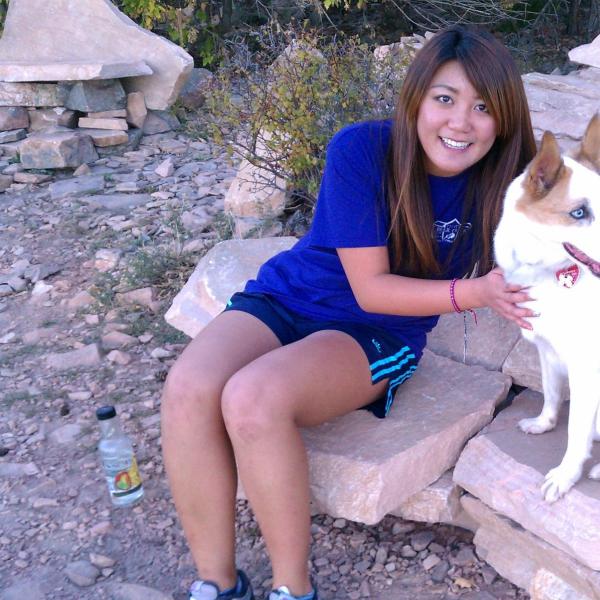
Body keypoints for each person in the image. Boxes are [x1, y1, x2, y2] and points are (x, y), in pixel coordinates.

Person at [161, 25, 537, 600]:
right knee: (188, 386)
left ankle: (293, 590)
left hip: (375, 335)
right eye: (445, 98)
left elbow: (578, 218)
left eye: (483, 107)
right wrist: (474, 293)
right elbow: (371, 285)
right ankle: (215, 584)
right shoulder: (363, 149)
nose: (460, 123)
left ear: (505, 119)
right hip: (288, 298)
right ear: (416, 98)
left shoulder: (508, 179)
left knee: (253, 398)